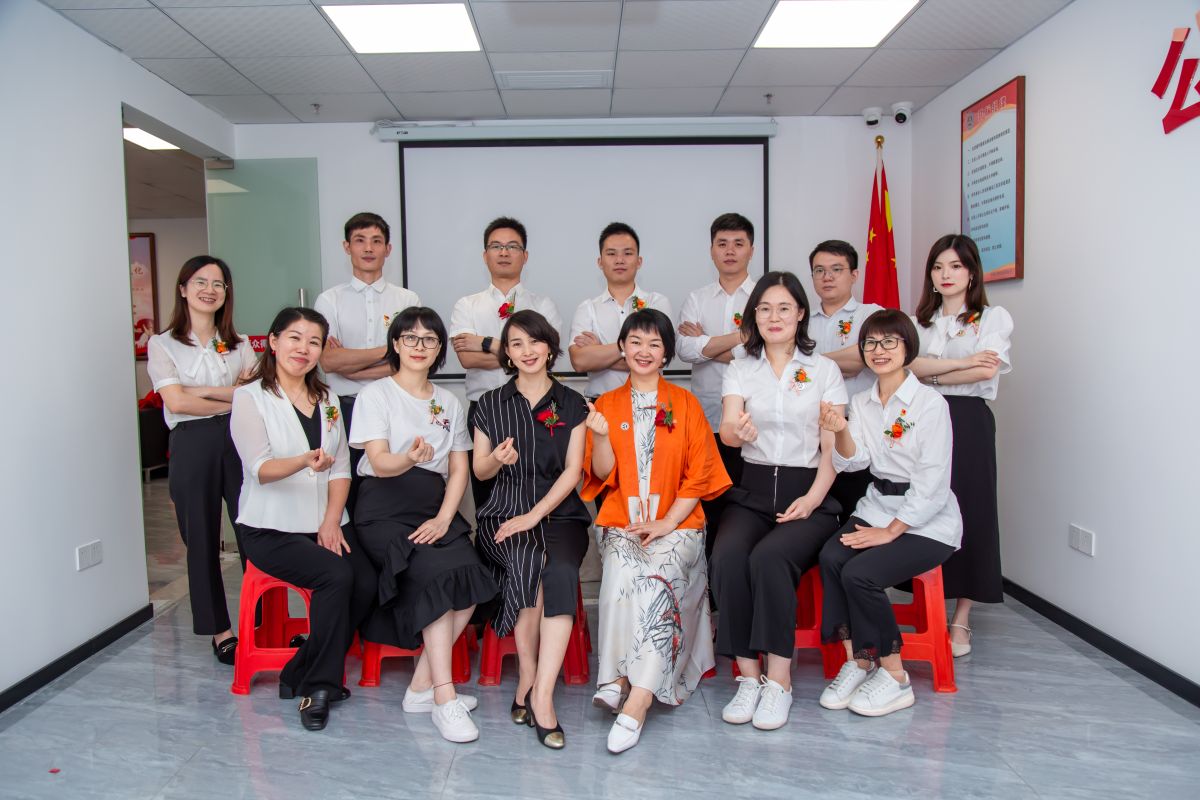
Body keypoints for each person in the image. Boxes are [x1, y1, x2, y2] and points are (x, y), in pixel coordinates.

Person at [581, 309, 730, 754]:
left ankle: (638, 699)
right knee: (621, 573)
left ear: (666, 354)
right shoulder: (607, 405)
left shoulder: (684, 403)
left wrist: (668, 522)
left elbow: (701, 474)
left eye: (654, 344)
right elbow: (601, 475)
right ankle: (614, 678)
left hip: (678, 523)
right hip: (623, 522)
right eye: (635, 342)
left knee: (656, 580)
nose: (643, 351)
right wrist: (600, 436)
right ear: (622, 348)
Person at [349, 307, 499, 743]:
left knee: (471, 577)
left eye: (429, 339)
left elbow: (459, 469)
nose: (419, 346)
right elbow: (379, 462)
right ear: (395, 344)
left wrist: (445, 518)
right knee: (436, 577)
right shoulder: (376, 395)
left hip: (434, 509)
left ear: (438, 350)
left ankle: (419, 688)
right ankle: (443, 696)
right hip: (383, 509)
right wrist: (408, 459)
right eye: (410, 338)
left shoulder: (449, 401)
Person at [229, 307, 377, 731]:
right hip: (270, 527)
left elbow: (342, 467)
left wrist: (331, 521)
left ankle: (298, 668)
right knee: (335, 575)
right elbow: (259, 468)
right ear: (274, 342)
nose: (304, 349)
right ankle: (319, 686)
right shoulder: (250, 397)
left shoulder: (327, 399)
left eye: (314, 342)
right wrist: (303, 461)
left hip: (323, 520)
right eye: (295, 338)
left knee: (366, 581)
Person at [712, 271, 847, 731]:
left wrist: (811, 500)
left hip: (808, 492)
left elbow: (833, 449)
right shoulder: (740, 367)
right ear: (754, 315)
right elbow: (729, 430)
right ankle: (748, 677)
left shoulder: (823, 370)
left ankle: (779, 682)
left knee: (769, 558)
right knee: (727, 557)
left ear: (800, 313)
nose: (774, 317)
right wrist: (738, 432)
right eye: (765, 308)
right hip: (752, 491)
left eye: (784, 308)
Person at [816, 309, 962, 717]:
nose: (878, 350)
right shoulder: (862, 402)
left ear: (907, 347)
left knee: (860, 574)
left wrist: (892, 531)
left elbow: (933, 484)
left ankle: (896, 678)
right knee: (831, 557)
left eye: (888, 342)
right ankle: (859, 661)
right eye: (870, 343)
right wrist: (840, 430)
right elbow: (855, 461)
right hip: (878, 505)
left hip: (927, 521)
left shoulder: (930, 404)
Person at [471, 310, 590, 750]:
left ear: (550, 347)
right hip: (504, 513)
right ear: (506, 352)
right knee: (525, 560)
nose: (527, 351)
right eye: (516, 343)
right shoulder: (489, 404)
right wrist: (495, 460)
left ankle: (541, 694)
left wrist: (536, 515)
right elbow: (480, 472)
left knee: (559, 571)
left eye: (535, 342)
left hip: (559, 515)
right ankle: (526, 673)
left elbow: (574, 471)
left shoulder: (572, 403)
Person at [146, 255, 256, 664]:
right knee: (202, 539)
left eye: (218, 283)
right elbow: (176, 403)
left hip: (240, 439)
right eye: (200, 282)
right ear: (183, 288)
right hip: (193, 443)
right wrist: (229, 396)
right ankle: (220, 631)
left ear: (227, 292)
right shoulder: (163, 344)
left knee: (254, 529)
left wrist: (199, 391)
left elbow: (254, 395)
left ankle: (259, 624)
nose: (210, 290)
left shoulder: (239, 343)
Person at [909, 235, 1013, 657]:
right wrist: (961, 363)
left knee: (971, 508)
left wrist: (933, 373)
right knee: (924, 505)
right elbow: (907, 367)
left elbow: (985, 373)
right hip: (922, 418)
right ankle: (927, 603)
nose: (945, 274)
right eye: (938, 267)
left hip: (968, 420)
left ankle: (962, 617)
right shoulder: (920, 322)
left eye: (955, 266)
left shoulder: (992, 318)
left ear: (971, 272)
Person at [450, 217, 562, 514]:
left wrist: (485, 342)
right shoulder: (466, 305)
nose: (503, 252)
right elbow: (467, 358)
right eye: (496, 246)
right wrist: (526, 356)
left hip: (537, 408)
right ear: (484, 254)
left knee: (538, 492)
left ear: (525, 255)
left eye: (512, 246)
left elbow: (548, 356)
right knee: (487, 495)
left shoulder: (543, 305)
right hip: (484, 411)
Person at [314, 212, 420, 517]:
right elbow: (328, 361)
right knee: (345, 484)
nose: (369, 248)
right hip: (345, 406)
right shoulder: (329, 300)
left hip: (394, 405)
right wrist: (388, 350)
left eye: (376, 241)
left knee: (392, 486)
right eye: (360, 241)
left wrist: (350, 363)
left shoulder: (407, 299)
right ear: (347, 247)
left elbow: (408, 362)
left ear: (388, 249)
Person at [676, 213, 758, 554]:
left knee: (746, 505)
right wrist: (740, 337)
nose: (730, 251)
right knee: (710, 504)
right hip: (706, 419)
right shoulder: (697, 298)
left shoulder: (762, 298)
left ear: (751, 250)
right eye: (722, 244)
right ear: (711, 250)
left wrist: (706, 343)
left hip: (751, 422)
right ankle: (711, 579)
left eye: (738, 244)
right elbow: (685, 350)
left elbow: (759, 354)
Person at [806, 240, 884, 521]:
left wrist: (811, 362)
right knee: (817, 511)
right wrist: (842, 361)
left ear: (854, 275)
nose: (827, 277)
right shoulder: (800, 321)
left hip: (857, 427)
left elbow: (863, 357)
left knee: (856, 509)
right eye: (819, 270)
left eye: (836, 269)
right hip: (811, 430)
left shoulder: (871, 315)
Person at [568, 221, 672, 399]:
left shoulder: (657, 302)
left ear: (639, 261)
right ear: (600, 262)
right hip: (600, 404)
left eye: (628, 253)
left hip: (650, 402)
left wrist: (599, 351)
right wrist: (640, 351)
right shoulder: (587, 308)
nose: (619, 260)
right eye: (611, 253)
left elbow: (660, 359)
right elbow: (579, 361)